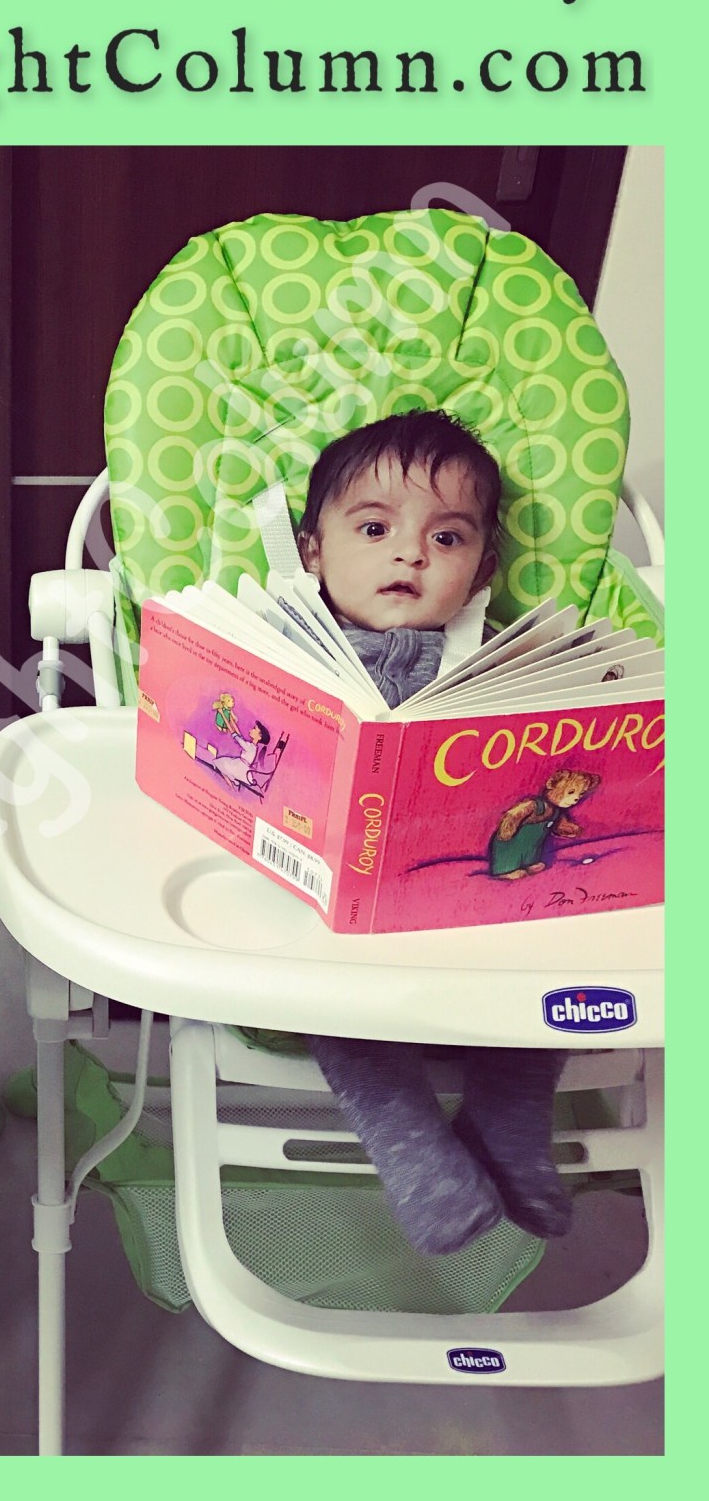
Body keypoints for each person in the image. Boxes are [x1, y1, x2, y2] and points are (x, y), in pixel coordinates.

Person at [295, 410, 574, 1256]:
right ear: (313, 552)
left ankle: (508, 1117)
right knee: (323, 987)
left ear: (482, 569)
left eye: (446, 538)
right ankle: (408, 1139)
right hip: (330, 915)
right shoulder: (281, 650)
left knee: (559, 947)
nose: (410, 555)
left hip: (475, 903)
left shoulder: (501, 661)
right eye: (375, 529)